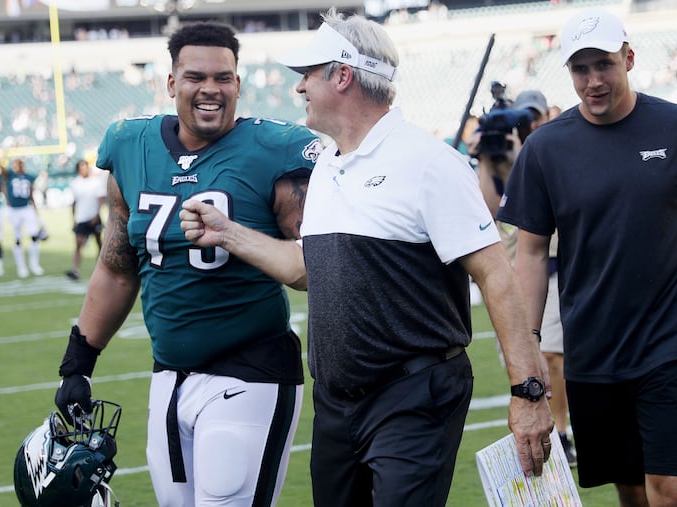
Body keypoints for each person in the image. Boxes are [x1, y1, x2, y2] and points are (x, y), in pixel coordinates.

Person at [180, 9, 554, 507]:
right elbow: (306, 269)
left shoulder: (428, 162)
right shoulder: (329, 164)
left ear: (342, 75)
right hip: (337, 402)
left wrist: (528, 392)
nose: (299, 88)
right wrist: (228, 234)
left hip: (413, 394)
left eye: (308, 75)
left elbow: (496, 275)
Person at [53, 21, 322, 506]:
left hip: (250, 372)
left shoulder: (272, 150)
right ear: (172, 82)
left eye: (223, 78)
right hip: (169, 374)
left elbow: (314, 268)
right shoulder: (131, 146)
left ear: (239, 83)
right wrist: (80, 362)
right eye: (196, 77)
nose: (211, 90)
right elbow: (117, 268)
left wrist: (235, 235)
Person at [496, 8, 677, 506]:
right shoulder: (545, 149)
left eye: (603, 64)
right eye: (581, 69)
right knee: (632, 494)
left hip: (675, 342)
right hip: (594, 351)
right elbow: (532, 254)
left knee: (672, 491)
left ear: (628, 57)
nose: (593, 80)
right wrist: (529, 345)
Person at [474, 88, 578, 467]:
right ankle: (539, 431)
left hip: (550, 271)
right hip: (512, 275)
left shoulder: (551, 152)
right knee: (523, 363)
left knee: (551, 356)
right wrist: (487, 161)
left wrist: (521, 157)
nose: (529, 125)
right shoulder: (501, 163)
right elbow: (490, 213)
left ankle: (562, 431)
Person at [65, 159, 105, 280]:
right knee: (78, 244)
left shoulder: (95, 182)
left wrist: (96, 215)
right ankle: (75, 270)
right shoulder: (75, 183)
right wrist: (74, 219)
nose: (85, 169)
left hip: (94, 217)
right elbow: (74, 202)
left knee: (99, 244)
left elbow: (101, 200)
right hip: (81, 217)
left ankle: (102, 269)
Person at [5, 158, 46, 278]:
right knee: (18, 239)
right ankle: (21, 267)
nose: (18, 166)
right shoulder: (10, 175)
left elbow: (31, 194)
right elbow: (1, 169)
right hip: (14, 209)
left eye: (20, 164)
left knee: (34, 236)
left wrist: (36, 211)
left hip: (26, 208)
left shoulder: (28, 177)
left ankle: (34, 265)